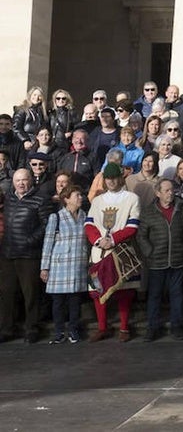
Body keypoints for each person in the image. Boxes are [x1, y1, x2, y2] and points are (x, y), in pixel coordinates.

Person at [85, 163, 141, 343]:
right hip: (99, 251)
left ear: (120, 178)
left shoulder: (131, 198)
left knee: (124, 290)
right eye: (108, 178)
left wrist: (113, 239)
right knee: (97, 289)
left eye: (114, 178)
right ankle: (102, 327)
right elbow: (89, 224)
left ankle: (124, 327)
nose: (111, 181)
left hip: (120, 249)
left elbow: (132, 226)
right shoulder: (98, 200)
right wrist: (98, 240)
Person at [0, 169, 54, 343]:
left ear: (31, 180)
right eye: (17, 180)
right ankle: (7, 328)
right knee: (7, 294)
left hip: (29, 254)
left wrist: (31, 240)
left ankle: (32, 328)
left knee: (30, 294)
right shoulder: (9, 198)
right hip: (8, 253)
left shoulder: (40, 199)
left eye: (24, 180)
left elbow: (47, 224)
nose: (21, 183)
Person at [137, 179, 183, 342]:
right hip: (156, 261)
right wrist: (150, 252)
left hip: (177, 258)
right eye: (166, 190)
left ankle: (177, 326)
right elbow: (141, 235)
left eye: (172, 190)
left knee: (177, 294)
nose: (170, 193)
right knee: (154, 295)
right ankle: (153, 327)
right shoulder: (148, 211)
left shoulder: (182, 208)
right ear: (158, 193)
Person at [40, 184, 89, 344]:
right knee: (58, 301)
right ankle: (59, 332)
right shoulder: (57, 217)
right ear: (67, 199)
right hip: (60, 265)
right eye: (77, 195)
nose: (80, 198)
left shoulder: (84, 216)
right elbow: (48, 243)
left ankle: (74, 330)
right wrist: (44, 267)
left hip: (78, 264)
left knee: (75, 300)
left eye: (81, 195)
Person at [13, 86, 48, 151]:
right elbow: (16, 128)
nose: (36, 98)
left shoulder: (42, 112)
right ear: (30, 95)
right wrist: (25, 140)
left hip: (38, 145)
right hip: (24, 145)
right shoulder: (22, 110)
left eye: (39, 96)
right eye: (34, 95)